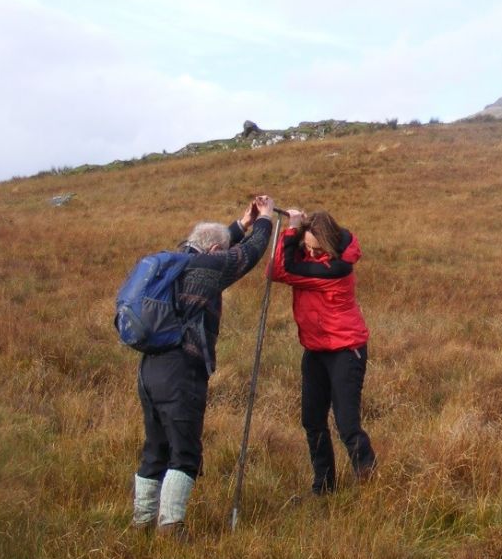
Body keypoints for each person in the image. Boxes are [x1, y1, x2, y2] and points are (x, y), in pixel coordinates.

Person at [132, 194, 276, 536]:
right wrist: (266, 219)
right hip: (181, 372)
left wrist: (241, 224)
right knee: (185, 451)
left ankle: (141, 524)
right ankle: (171, 526)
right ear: (214, 252)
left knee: (155, 448)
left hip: (149, 370)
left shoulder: (178, 261)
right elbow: (249, 254)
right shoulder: (209, 268)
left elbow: (223, 244)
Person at [270, 208, 376, 495]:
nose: (312, 255)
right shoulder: (306, 260)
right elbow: (279, 267)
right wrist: (295, 234)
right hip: (315, 351)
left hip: (345, 350)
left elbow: (280, 271)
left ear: (329, 244)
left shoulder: (336, 271)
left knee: (347, 425)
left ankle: (370, 484)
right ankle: (324, 486)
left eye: (317, 250)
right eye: (307, 249)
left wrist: (291, 231)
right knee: (312, 420)